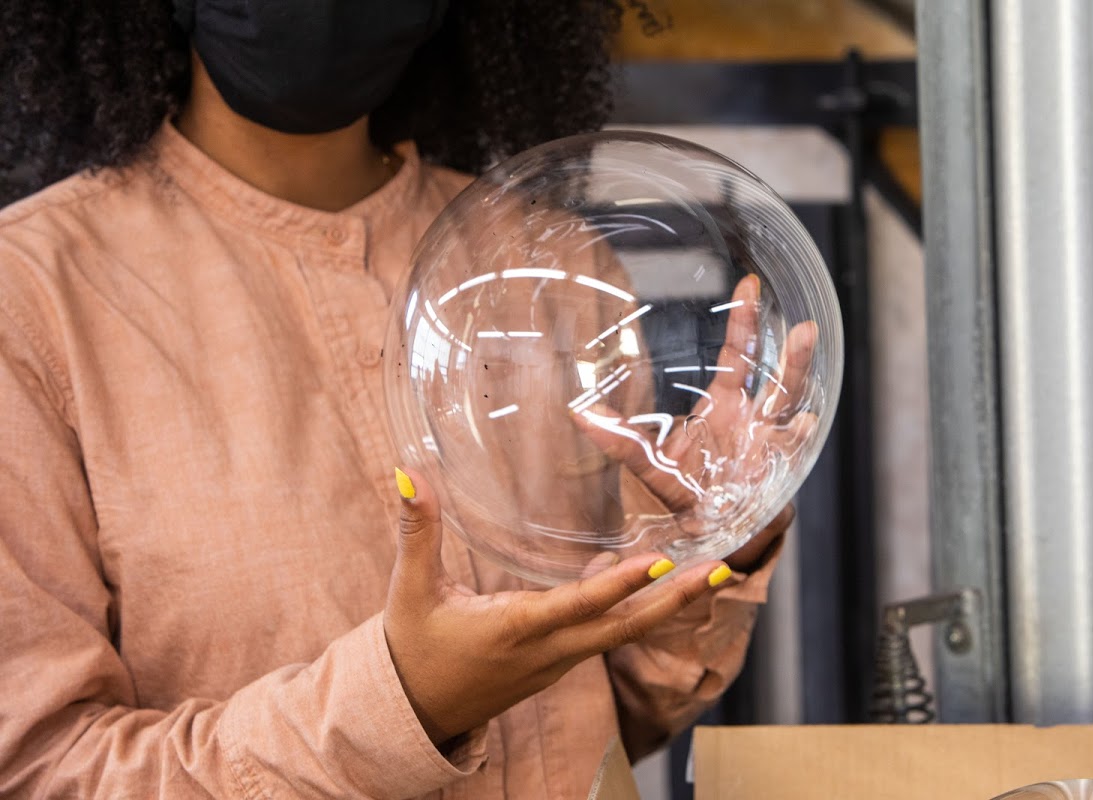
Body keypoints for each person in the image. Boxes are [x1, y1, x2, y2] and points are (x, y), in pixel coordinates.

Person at [0, 1, 795, 797]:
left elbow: (617, 709)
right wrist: (404, 705)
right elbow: (39, 769)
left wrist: (707, 536)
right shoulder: (32, 302)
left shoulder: (552, 268)